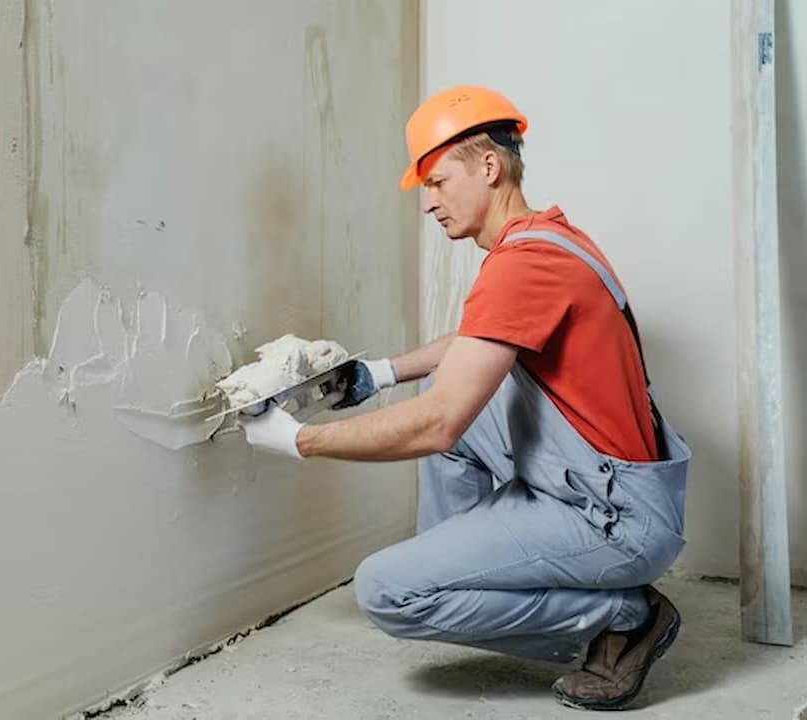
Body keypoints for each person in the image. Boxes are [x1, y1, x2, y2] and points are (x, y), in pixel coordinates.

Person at [240, 85, 690, 711]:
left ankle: (623, 614)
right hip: (610, 484)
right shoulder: (547, 240)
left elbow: (439, 425)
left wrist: (298, 441)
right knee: (444, 391)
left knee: (388, 591)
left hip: (613, 520)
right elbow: (483, 337)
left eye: (437, 182)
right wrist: (381, 372)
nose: (429, 204)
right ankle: (470, 568)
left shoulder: (521, 264)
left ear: (488, 166)